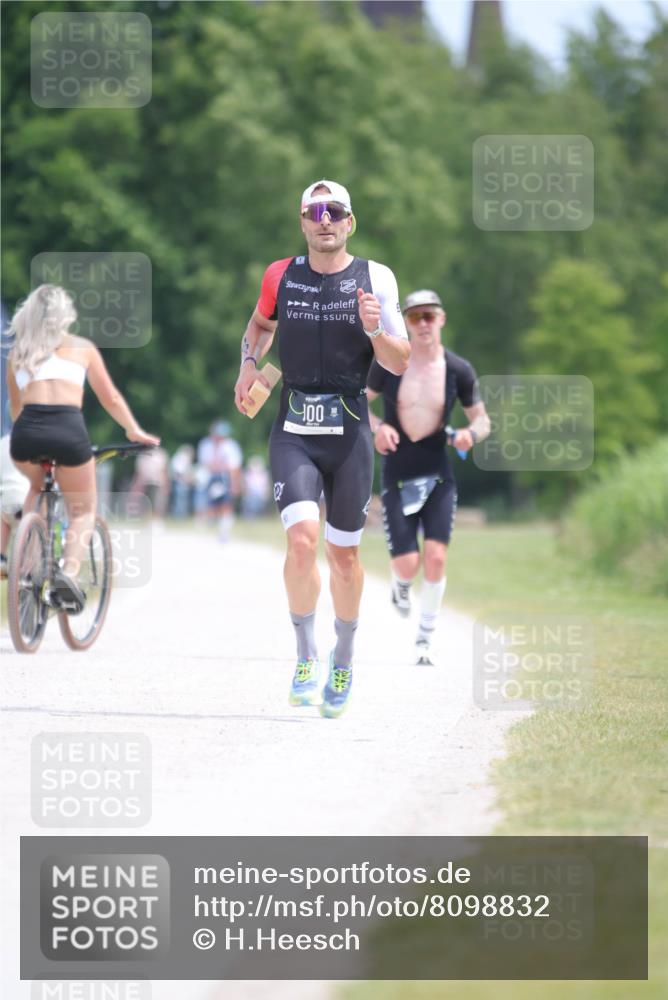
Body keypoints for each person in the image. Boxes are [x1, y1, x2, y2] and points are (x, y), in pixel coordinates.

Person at [234, 179, 410, 718]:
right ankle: (306, 656)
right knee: (303, 544)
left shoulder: (375, 278)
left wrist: (374, 331)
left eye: (335, 211)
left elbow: (400, 360)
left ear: (350, 222)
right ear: (303, 222)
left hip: (352, 431)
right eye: (315, 211)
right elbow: (261, 326)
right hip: (294, 426)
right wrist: (246, 364)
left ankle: (345, 659)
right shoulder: (280, 275)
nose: (325, 219)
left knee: (345, 557)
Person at [6, 284, 159, 610]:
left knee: (37, 487)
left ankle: (27, 558)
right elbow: (111, 398)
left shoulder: (18, 353)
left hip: (26, 435)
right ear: (65, 315)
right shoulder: (82, 347)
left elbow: (16, 409)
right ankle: (70, 573)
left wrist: (27, 433)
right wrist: (134, 430)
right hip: (67, 430)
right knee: (83, 509)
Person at [366, 289, 490, 665]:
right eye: (415, 316)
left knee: (435, 558)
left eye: (429, 316)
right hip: (397, 476)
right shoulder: (389, 364)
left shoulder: (458, 369)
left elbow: (482, 419)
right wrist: (376, 428)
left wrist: (472, 434)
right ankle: (401, 586)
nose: (423, 323)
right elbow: (355, 403)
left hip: (438, 476)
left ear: (441, 319)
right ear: (406, 321)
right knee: (408, 564)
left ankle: (425, 638)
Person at [197, 420, 242, 542]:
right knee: (211, 505)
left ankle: (224, 532)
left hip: (225, 477)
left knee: (226, 505)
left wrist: (235, 483)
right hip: (210, 478)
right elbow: (205, 463)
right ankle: (211, 524)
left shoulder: (231, 446)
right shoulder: (206, 445)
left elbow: (234, 467)